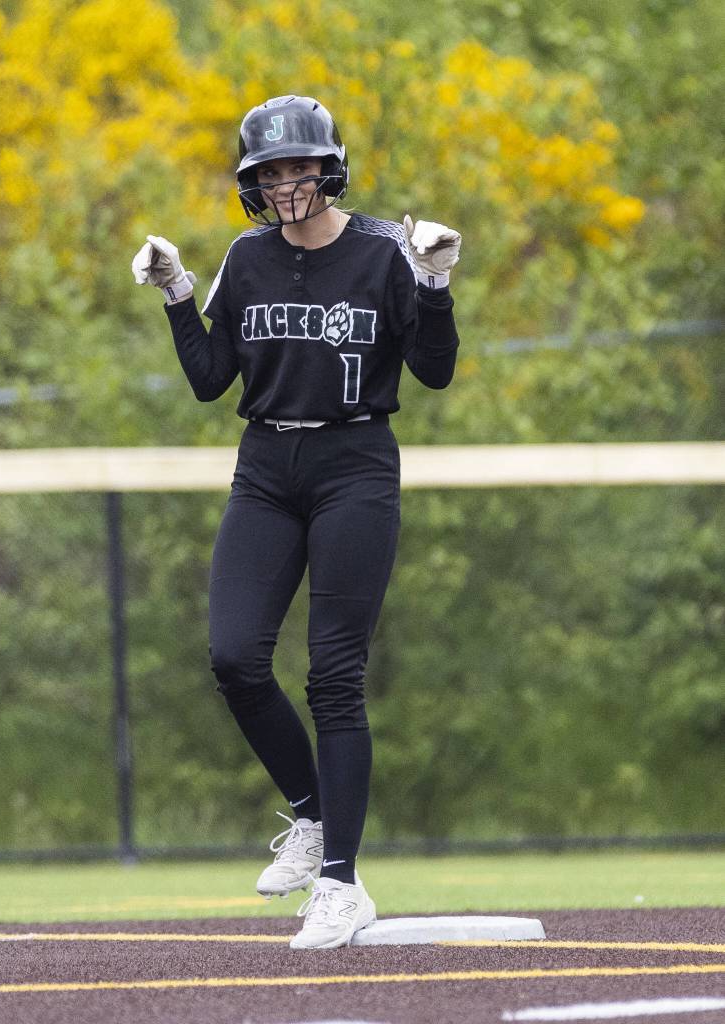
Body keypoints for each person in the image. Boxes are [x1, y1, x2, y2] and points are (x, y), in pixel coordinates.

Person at [132, 94, 461, 949]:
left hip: (355, 464)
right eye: (269, 172)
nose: (286, 183)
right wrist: (176, 291)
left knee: (334, 677)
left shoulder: (387, 249)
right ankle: (312, 816)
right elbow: (211, 380)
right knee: (234, 656)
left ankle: (343, 885)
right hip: (266, 467)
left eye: (299, 166)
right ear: (253, 182)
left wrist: (434, 285)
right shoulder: (245, 260)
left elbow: (434, 371)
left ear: (330, 166)